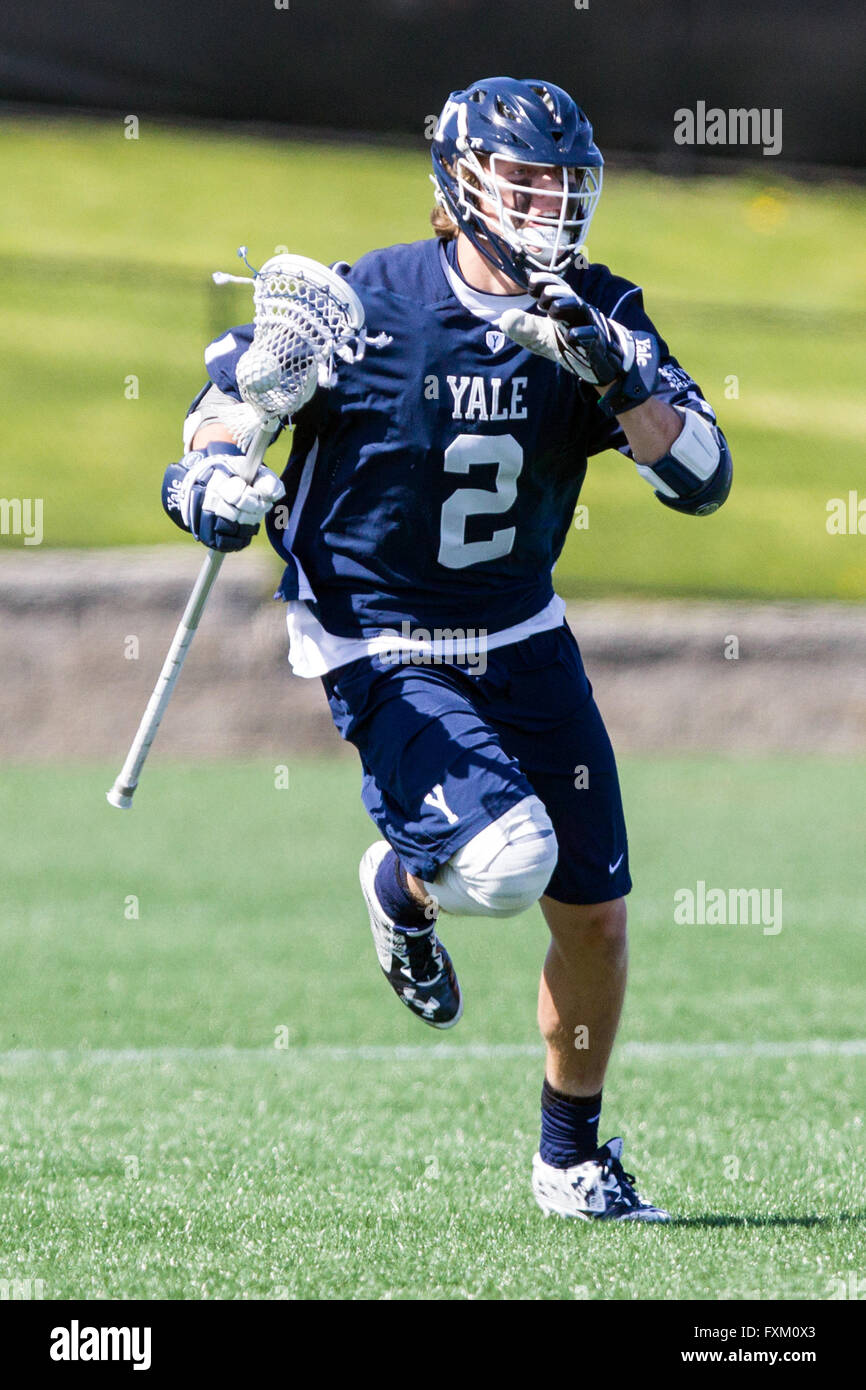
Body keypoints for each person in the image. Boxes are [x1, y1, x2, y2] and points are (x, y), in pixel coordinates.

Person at [162, 76, 731, 1221]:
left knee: (595, 913)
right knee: (511, 860)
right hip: (382, 636)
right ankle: (405, 877)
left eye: (565, 186)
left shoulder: (595, 309)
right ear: (460, 188)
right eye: (525, 183)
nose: (550, 208)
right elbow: (231, 397)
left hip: (521, 628)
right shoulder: (364, 300)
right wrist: (211, 472)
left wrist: (611, 374)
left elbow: (701, 477)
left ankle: (570, 1159)